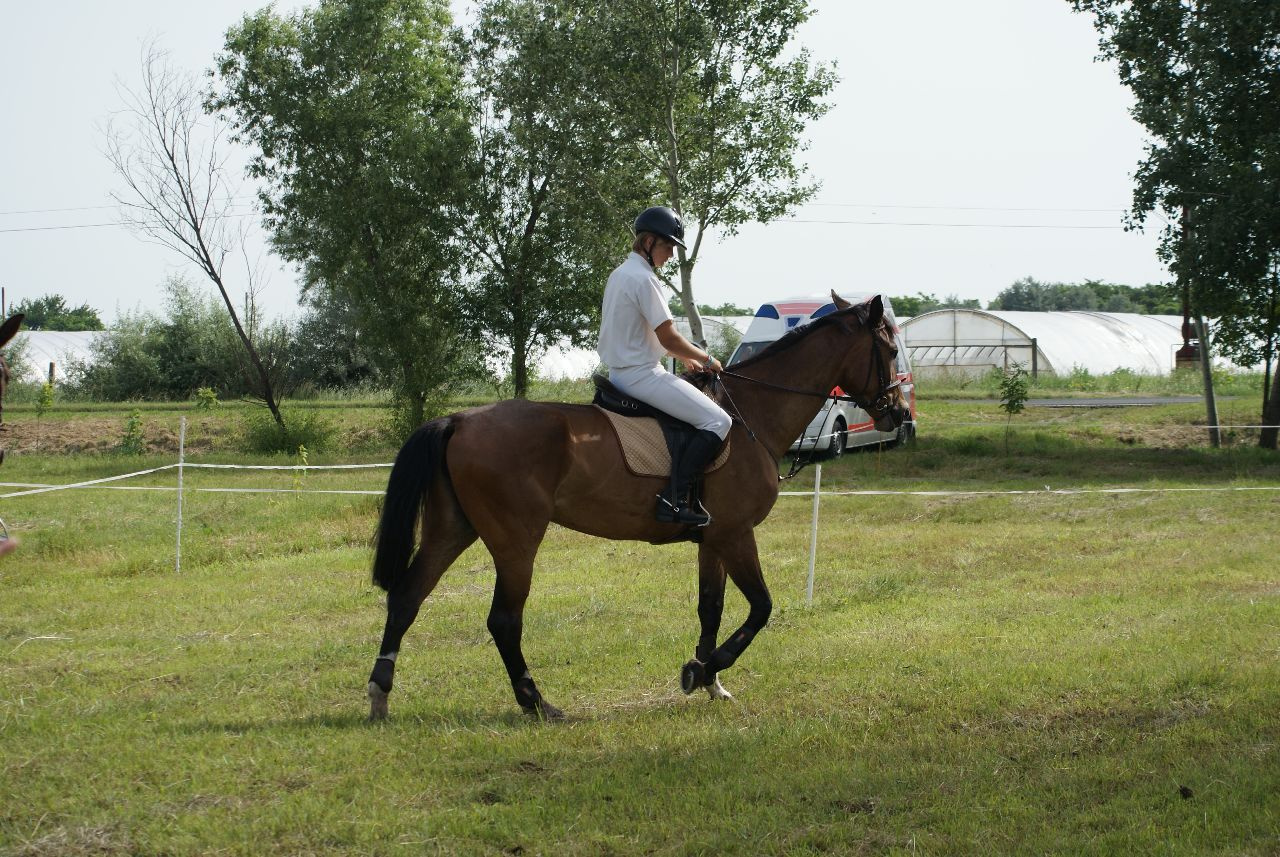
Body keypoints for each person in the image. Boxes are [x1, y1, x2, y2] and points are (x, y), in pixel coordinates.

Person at [597, 206, 732, 527]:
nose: (671, 254)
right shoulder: (645, 280)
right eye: (668, 246)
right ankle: (674, 501)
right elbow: (669, 337)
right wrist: (706, 358)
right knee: (718, 421)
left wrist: (684, 357)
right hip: (642, 376)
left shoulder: (620, 274)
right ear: (648, 241)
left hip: (621, 373)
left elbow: (642, 334)